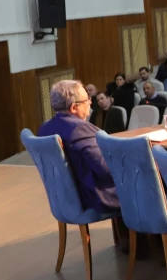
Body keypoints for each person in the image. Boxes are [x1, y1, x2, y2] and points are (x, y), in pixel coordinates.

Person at [37, 80, 120, 215]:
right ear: (74, 108)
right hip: (95, 197)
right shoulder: (79, 129)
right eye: (86, 100)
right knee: (150, 181)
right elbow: (106, 170)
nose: (90, 102)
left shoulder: (44, 129)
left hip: (65, 197)